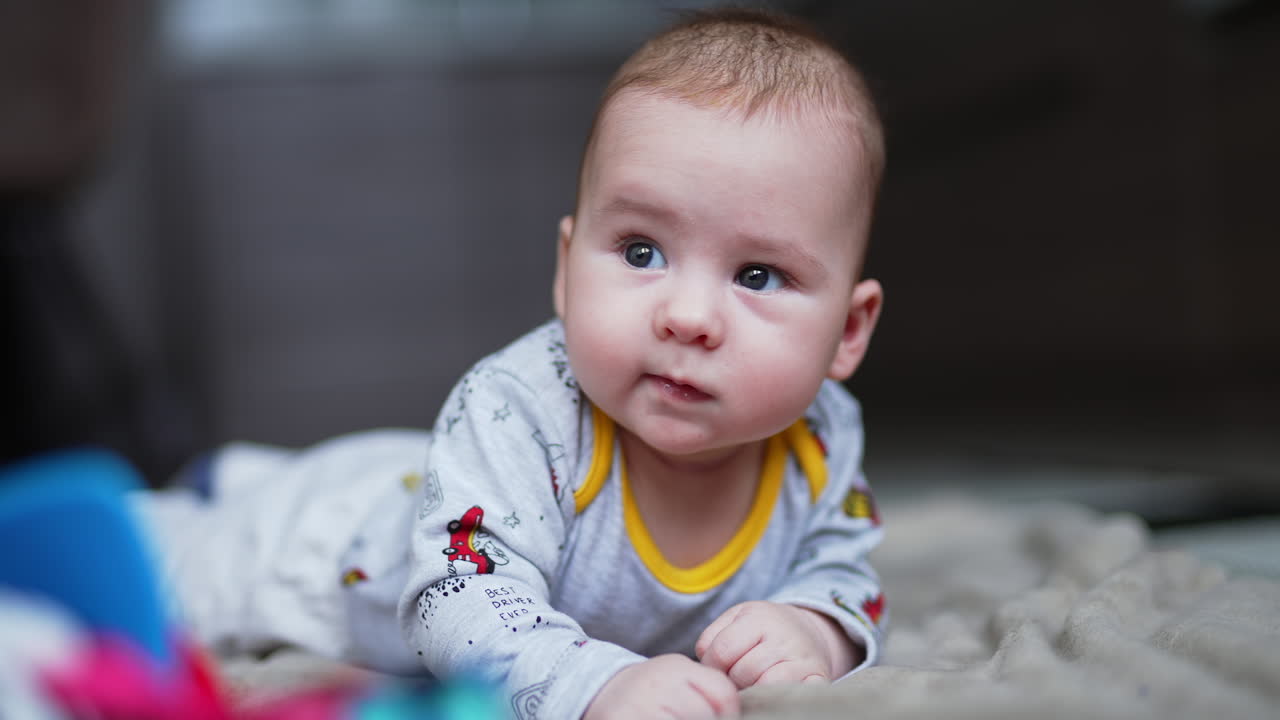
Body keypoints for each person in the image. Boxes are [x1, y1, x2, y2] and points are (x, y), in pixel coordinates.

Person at [142, 8, 888, 719]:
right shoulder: (521, 405)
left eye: (757, 274)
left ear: (847, 333)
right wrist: (591, 684)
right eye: (641, 252)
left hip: (431, 479)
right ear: (566, 270)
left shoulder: (821, 440)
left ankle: (240, 478)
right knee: (161, 575)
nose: (687, 316)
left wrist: (816, 628)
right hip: (325, 559)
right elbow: (458, 597)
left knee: (386, 479)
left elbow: (842, 569)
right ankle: (201, 503)